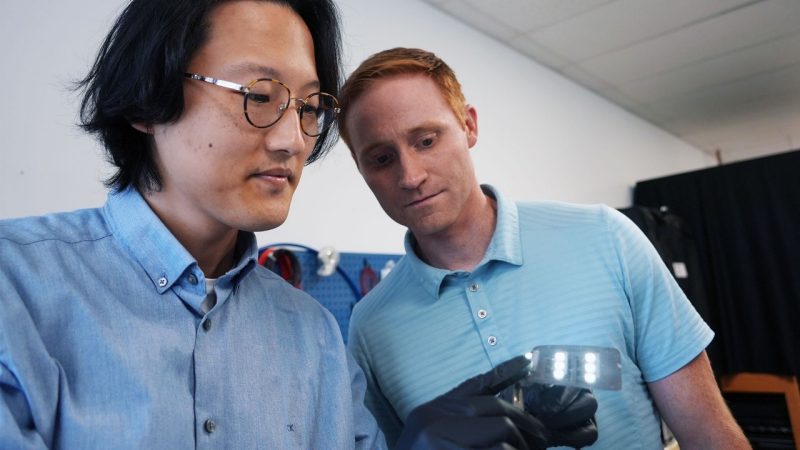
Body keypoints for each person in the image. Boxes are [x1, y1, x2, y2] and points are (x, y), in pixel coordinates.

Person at [0, 2, 594, 449]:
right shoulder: (17, 290)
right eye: (259, 95)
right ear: (145, 102)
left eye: (309, 109)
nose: (292, 142)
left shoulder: (312, 334)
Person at [338, 47, 752, 449]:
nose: (410, 176)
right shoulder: (370, 328)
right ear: (361, 170)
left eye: (426, 140)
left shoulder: (607, 237)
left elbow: (710, 435)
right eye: (381, 158)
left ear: (469, 126)